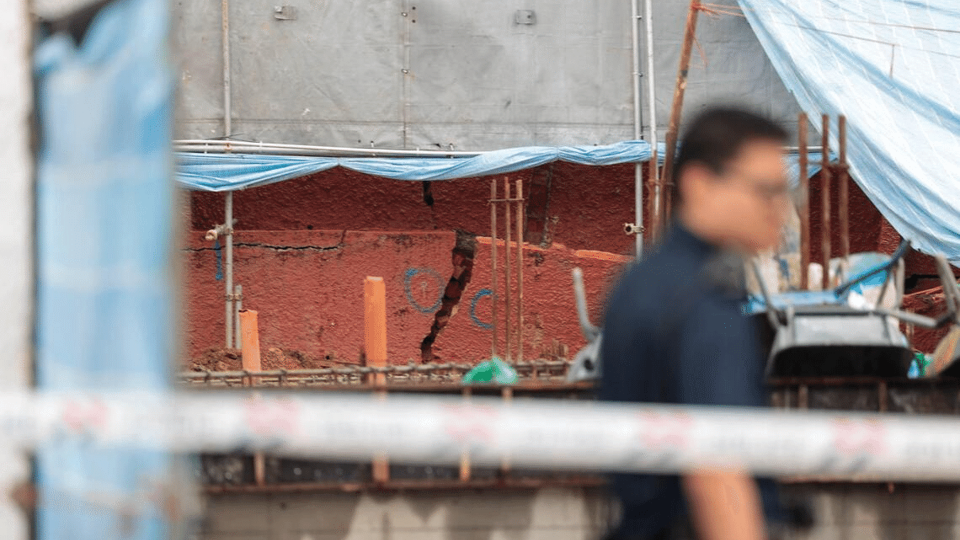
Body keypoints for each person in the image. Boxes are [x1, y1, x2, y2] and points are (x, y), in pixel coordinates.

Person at [599, 107, 792, 540]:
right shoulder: (706, 298)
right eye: (767, 190)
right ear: (701, 183)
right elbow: (717, 467)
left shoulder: (642, 280)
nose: (779, 209)